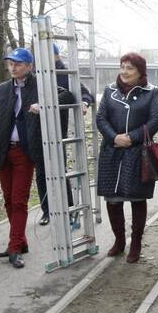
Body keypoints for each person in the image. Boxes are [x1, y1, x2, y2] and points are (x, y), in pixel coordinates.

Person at [95, 52, 158, 263]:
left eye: (129, 68)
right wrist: (114, 137)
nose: (124, 71)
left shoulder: (151, 92)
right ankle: (119, 241)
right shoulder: (109, 91)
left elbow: (155, 119)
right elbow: (100, 117)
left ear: (140, 71)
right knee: (113, 199)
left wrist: (132, 138)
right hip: (111, 151)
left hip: (137, 153)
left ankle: (136, 244)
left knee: (136, 198)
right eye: (122, 66)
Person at [0, 48, 41, 269]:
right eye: (11, 63)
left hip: (25, 152)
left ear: (29, 66)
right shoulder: (3, 89)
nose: (13, 67)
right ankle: (20, 241)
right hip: (4, 151)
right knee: (8, 200)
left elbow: (65, 94)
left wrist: (42, 106)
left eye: (18, 63)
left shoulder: (39, 85)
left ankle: (15, 248)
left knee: (19, 200)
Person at [35, 43, 95, 226]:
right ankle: (47, 211)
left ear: (55, 55)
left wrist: (84, 103)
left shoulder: (65, 73)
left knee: (60, 170)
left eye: (47, 54)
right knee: (41, 172)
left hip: (57, 129)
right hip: (37, 128)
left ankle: (69, 209)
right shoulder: (35, 74)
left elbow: (86, 94)